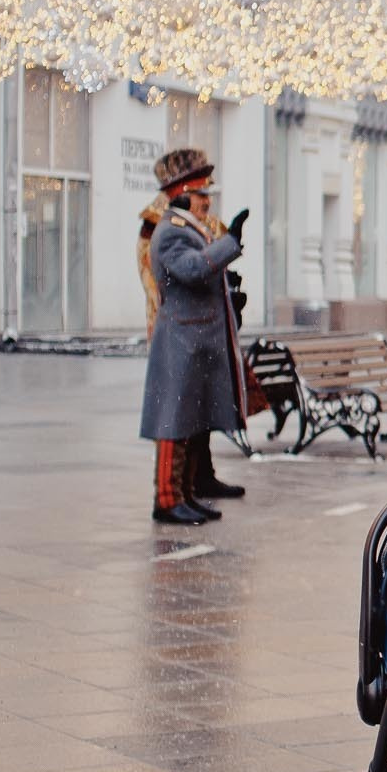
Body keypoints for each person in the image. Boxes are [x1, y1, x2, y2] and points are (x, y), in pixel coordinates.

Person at [141, 159, 249, 526]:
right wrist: (230, 243)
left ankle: (185, 495)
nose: (207, 201)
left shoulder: (191, 228)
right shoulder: (170, 231)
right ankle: (168, 500)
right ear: (182, 196)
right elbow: (193, 268)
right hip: (180, 340)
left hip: (194, 338)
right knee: (173, 424)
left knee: (188, 422)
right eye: (201, 194)